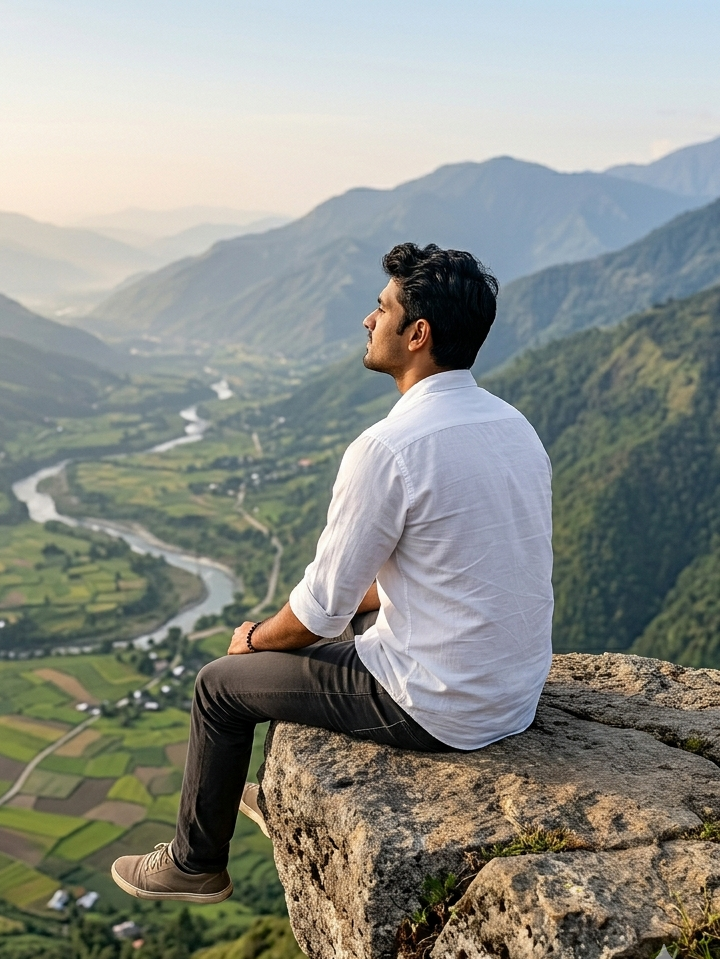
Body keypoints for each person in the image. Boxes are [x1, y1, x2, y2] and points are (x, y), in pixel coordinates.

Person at [111, 242, 554, 904]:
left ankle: (193, 862)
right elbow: (456, 565)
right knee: (349, 619)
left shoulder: (388, 448)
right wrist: (346, 614)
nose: (368, 321)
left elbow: (318, 611)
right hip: (513, 694)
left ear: (417, 334)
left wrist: (254, 639)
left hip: (441, 707)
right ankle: (259, 793)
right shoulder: (512, 425)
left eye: (381, 309)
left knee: (219, 687)